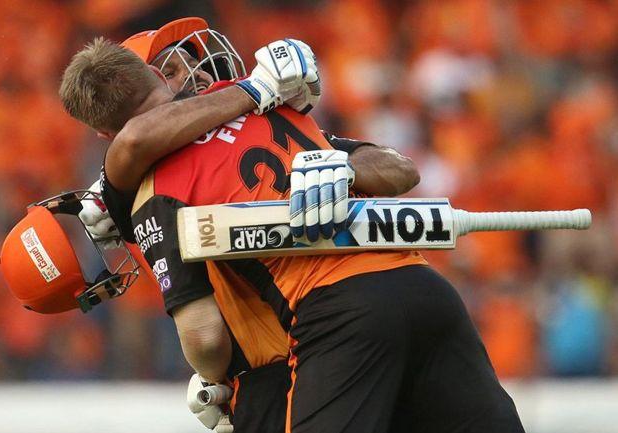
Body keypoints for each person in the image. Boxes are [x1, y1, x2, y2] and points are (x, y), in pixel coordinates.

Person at [59, 35, 524, 433]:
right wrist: (260, 92)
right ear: (160, 78)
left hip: (333, 316)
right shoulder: (265, 104)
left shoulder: (156, 188)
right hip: (424, 289)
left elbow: (203, 336)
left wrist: (209, 378)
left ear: (102, 133)